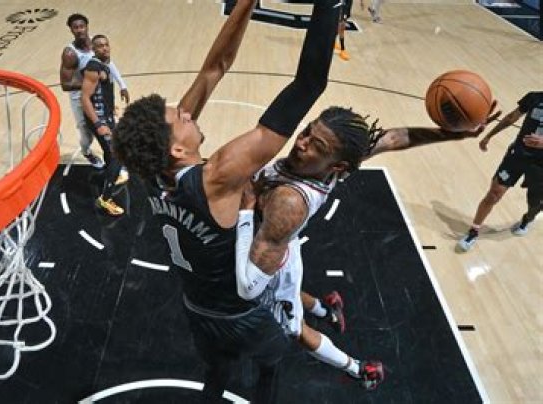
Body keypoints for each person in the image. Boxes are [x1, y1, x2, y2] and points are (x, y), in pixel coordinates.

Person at [113, 0, 341, 401]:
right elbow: (308, 85)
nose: (186, 112)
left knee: (216, 370)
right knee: (271, 363)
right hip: (241, 314)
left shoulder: (150, 168)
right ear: (177, 150)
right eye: (179, 117)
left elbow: (214, 67)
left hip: (196, 307)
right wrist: (330, 6)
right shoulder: (217, 176)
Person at [235, 102, 501, 390]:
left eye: (316, 146)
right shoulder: (331, 162)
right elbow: (394, 138)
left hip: (271, 256)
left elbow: (249, 287)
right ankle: (326, 309)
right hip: (280, 247)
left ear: (336, 166)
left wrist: (247, 209)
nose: (301, 143)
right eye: (307, 132)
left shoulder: (290, 202)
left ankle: (360, 369)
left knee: (296, 329)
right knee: (288, 292)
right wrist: (455, 134)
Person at [457, 92, 542, 252]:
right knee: (494, 194)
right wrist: (489, 136)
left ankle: (527, 218)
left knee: (536, 202)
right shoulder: (534, 97)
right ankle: (473, 231)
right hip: (518, 155)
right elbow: (511, 117)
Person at [60, 13, 129, 170]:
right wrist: (91, 82)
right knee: (87, 134)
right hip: (80, 97)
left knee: (110, 133)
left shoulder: (97, 44)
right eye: (75, 27)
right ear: (71, 30)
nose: (79, 30)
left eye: (82, 26)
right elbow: (65, 84)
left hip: (99, 95)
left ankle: (115, 163)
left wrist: (122, 85)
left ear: (87, 27)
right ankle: (86, 152)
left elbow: (109, 63)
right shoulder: (70, 54)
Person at [81, 34, 128, 216]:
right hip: (99, 119)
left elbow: (101, 92)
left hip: (106, 115)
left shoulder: (104, 64)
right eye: (100, 46)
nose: (105, 48)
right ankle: (105, 199)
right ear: (93, 49)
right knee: (117, 154)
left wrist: (110, 107)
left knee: (112, 152)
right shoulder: (93, 68)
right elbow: (85, 98)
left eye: (106, 44)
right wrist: (98, 123)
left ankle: (112, 176)